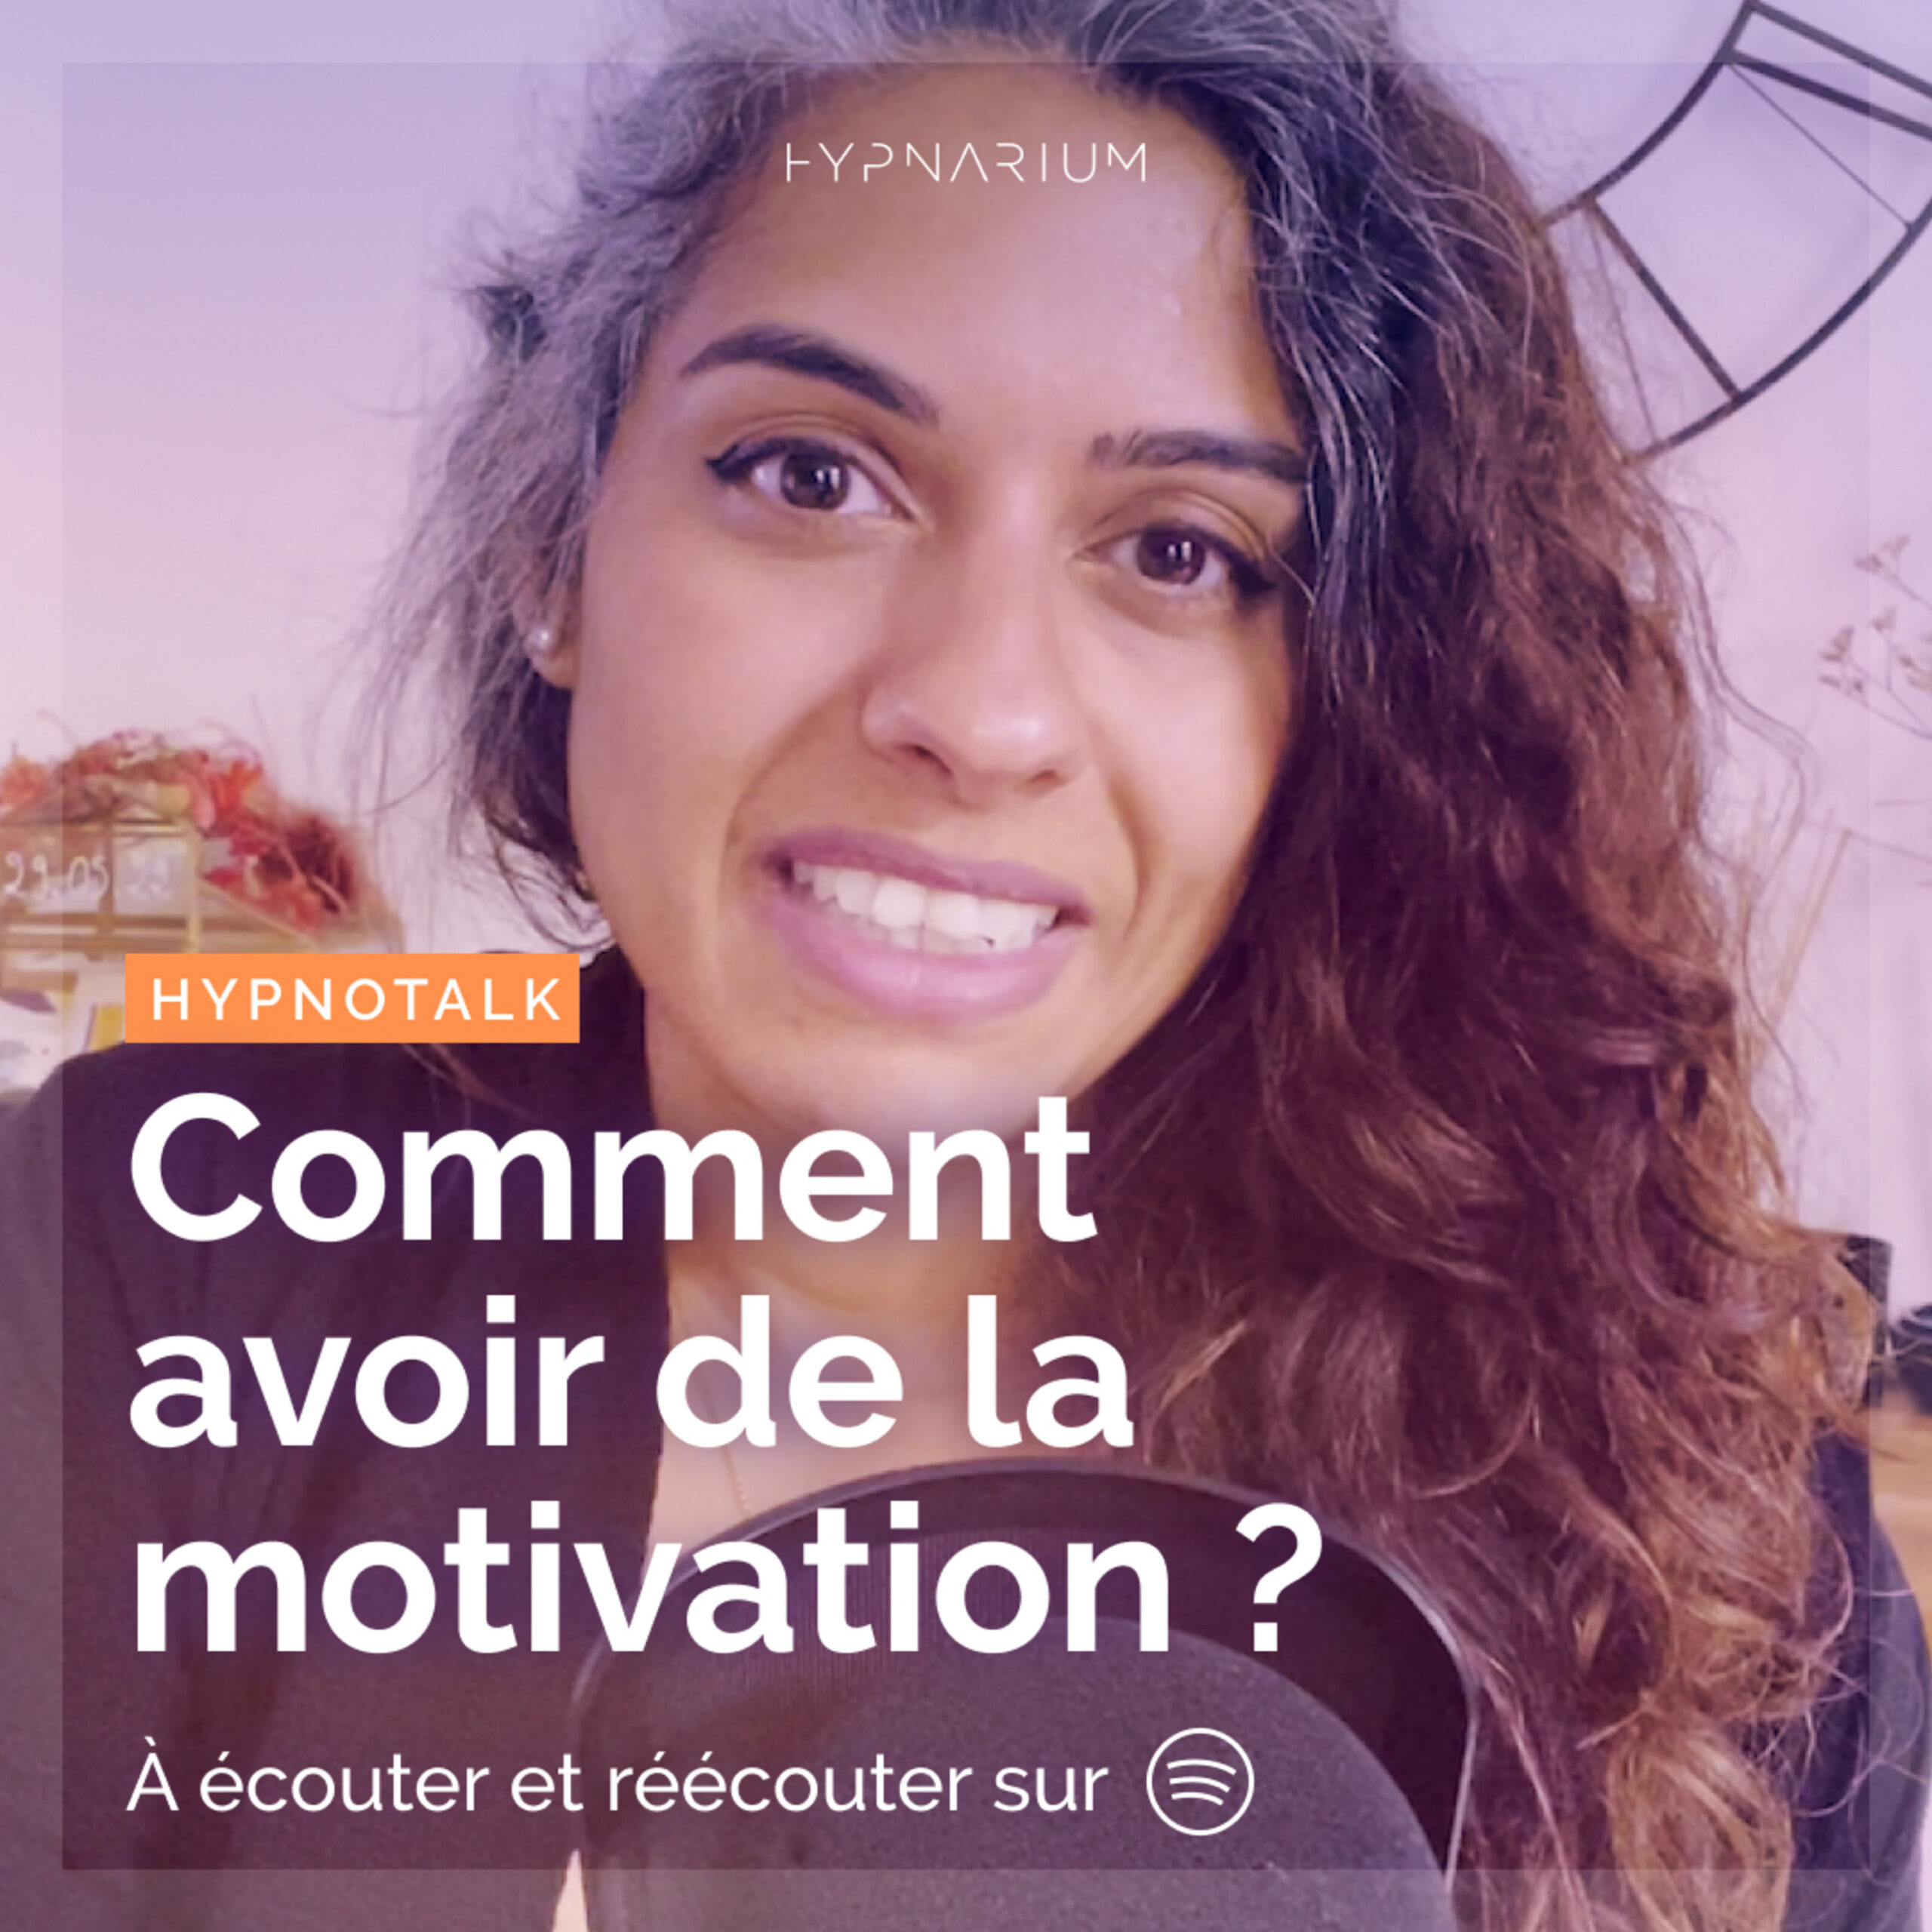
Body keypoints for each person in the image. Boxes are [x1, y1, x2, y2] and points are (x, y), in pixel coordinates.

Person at [4, 1, 1924, 1929]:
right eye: (809, 475)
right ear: (550, 548)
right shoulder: (151, 1230)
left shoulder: (1708, 1532)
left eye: (1178, 553)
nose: (979, 710)